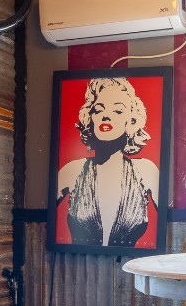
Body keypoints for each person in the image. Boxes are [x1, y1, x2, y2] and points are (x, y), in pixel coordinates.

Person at [56, 78, 160, 247]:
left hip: (130, 269)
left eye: (118, 111)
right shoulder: (73, 171)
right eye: (98, 110)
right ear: (91, 118)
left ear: (131, 121)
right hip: (77, 268)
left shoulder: (146, 171)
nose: (106, 115)